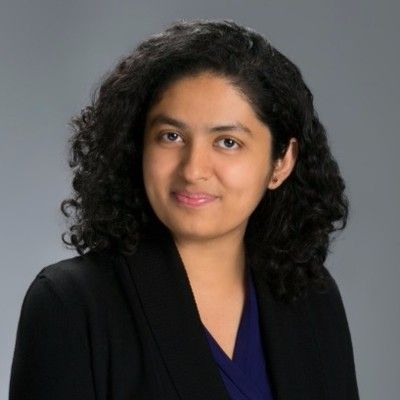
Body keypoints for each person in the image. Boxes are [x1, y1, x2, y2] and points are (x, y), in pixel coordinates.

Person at [9, 19, 360, 399]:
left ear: (282, 162)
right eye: (171, 136)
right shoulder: (71, 304)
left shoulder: (310, 295)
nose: (193, 170)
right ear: (137, 146)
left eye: (227, 142)